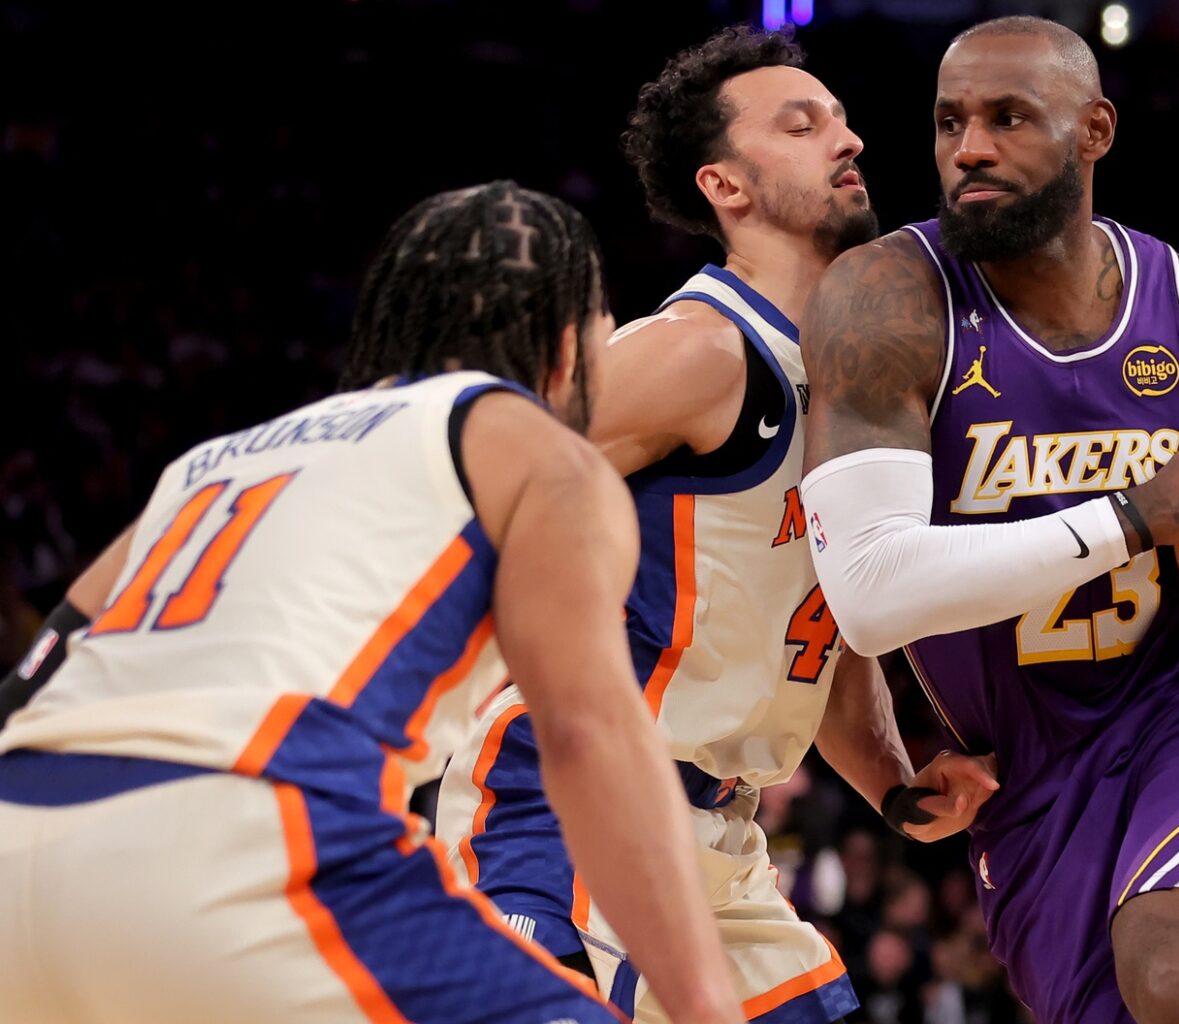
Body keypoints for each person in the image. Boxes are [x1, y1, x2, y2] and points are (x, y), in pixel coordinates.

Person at [0, 181, 741, 1024]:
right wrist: (705, 1005)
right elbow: (588, 737)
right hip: (237, 843)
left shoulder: (212, 462)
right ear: (570, 351)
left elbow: (33, 675)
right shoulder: (533, 444)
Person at [798, 17, 1179, 1024]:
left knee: (1178, 980)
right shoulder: (887, 302)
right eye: (950, 121)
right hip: (1034, 774)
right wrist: (1134, 515)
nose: (970, 148)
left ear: (1095, 132)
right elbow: (868, 598)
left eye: (1008, 118)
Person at [433, 28, 997, 1024]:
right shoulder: (697, 352)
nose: (849, 137)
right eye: (802, 122)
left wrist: (899, 790)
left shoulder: (861, 381)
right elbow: (452, 495)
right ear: (726, 187)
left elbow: (823, 631)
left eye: (842, 117)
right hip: (562, 806)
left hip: (717, 843)